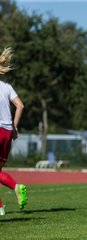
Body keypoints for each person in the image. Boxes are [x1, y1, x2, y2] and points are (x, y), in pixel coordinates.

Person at [0, 47, 27, 215]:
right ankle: (0, 209)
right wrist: (14, 126)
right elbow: (20, 105)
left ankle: (16, 186)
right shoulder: (7, 87)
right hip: (7, 131)